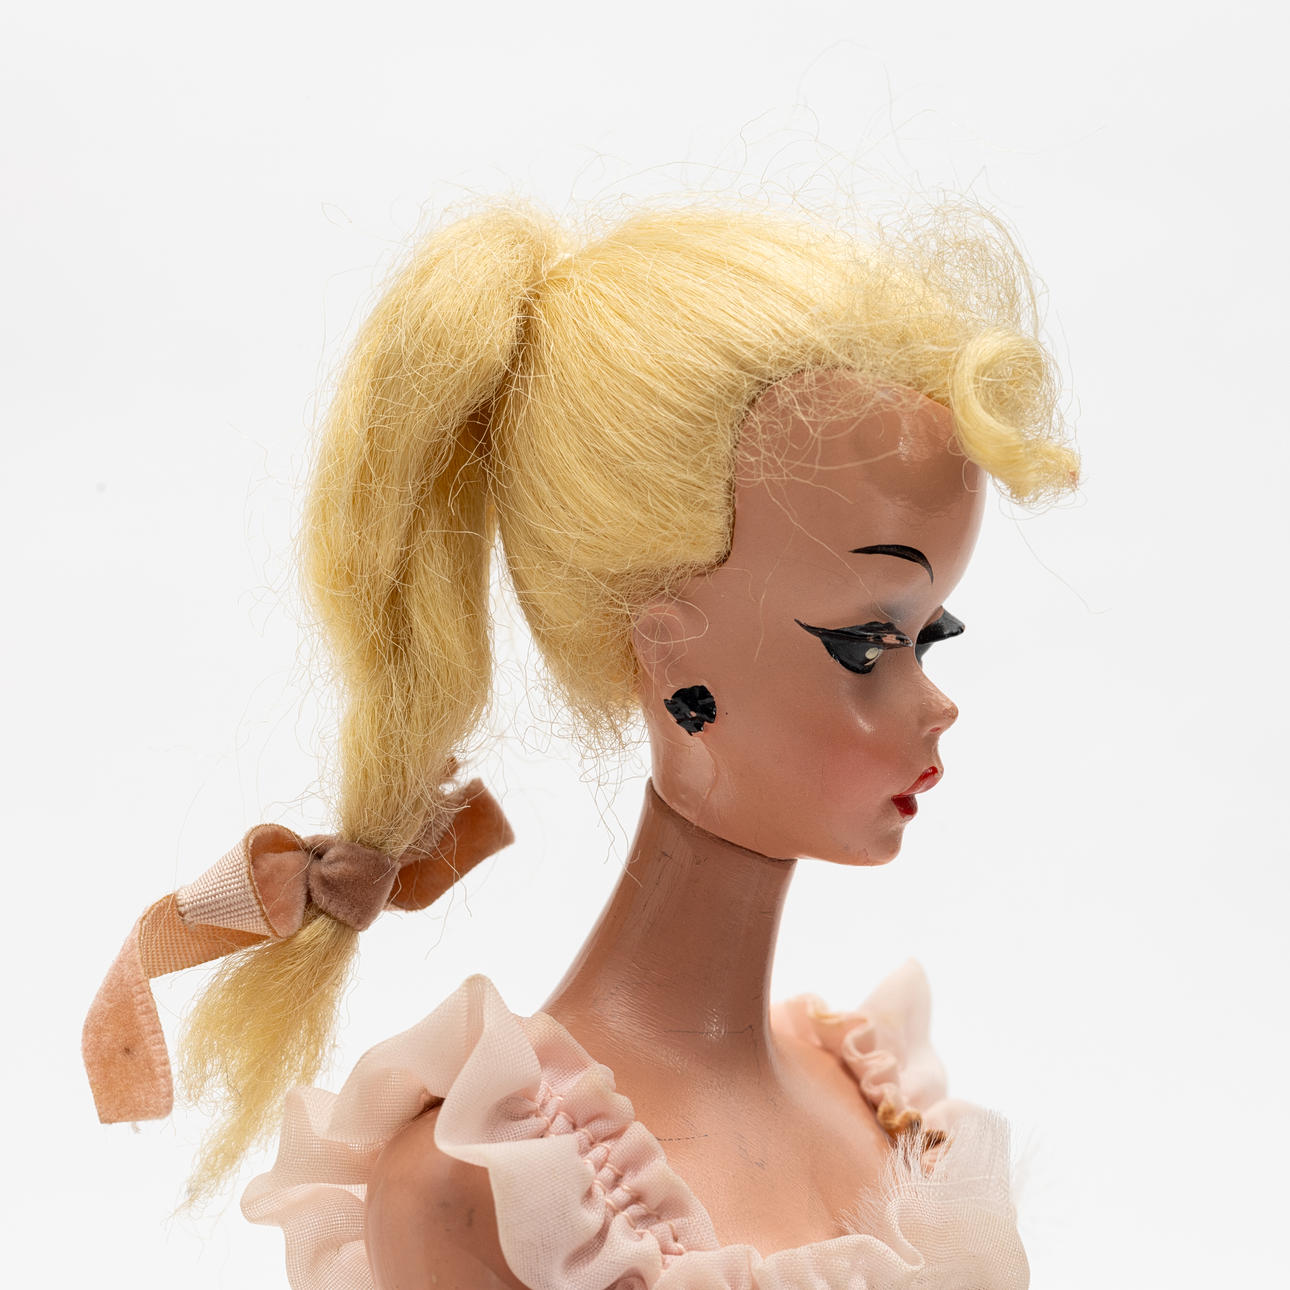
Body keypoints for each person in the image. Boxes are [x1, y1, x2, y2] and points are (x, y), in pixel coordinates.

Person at [85, 199, 1077, 1289]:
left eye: (930, 637)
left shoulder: (885, 1110)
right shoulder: (495, 1191)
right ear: (669, 656)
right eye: (867, 644)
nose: (936, 705)